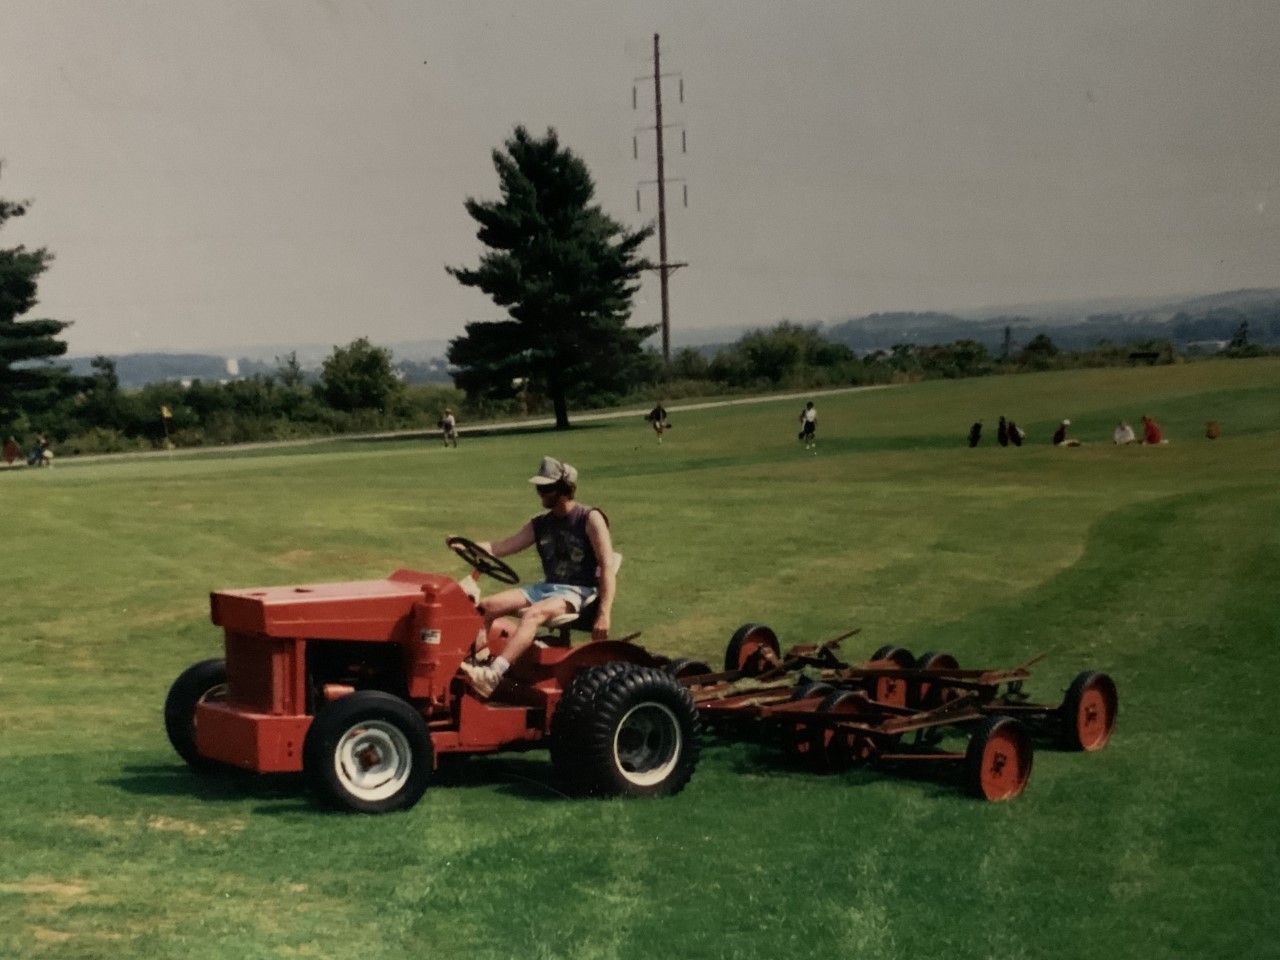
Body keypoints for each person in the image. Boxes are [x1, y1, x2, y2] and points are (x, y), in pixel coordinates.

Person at [454, 456, 615, 698]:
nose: (539, 493)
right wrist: (465, 545)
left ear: (562, 489)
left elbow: (606, 566)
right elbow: (501, 547)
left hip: (578, 591)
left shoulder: (589, 518)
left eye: (544, 488)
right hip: (548, 588)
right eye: (538, 488)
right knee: (486, 606)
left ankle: (493, 676)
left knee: (533, 614)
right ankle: (480, 662)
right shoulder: (540, 524)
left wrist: (604, 613)